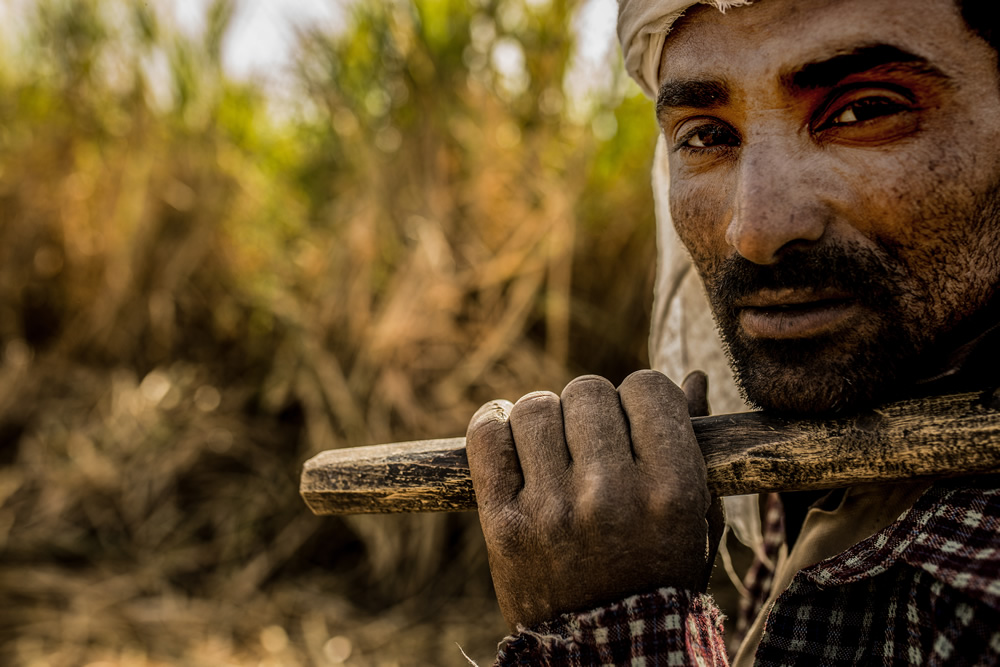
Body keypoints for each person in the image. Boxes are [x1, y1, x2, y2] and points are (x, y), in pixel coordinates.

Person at [465, 0, 1000, 664]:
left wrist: (610, 630)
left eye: (864, 111)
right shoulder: (825, 460)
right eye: (707, 135)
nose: (755, 228)